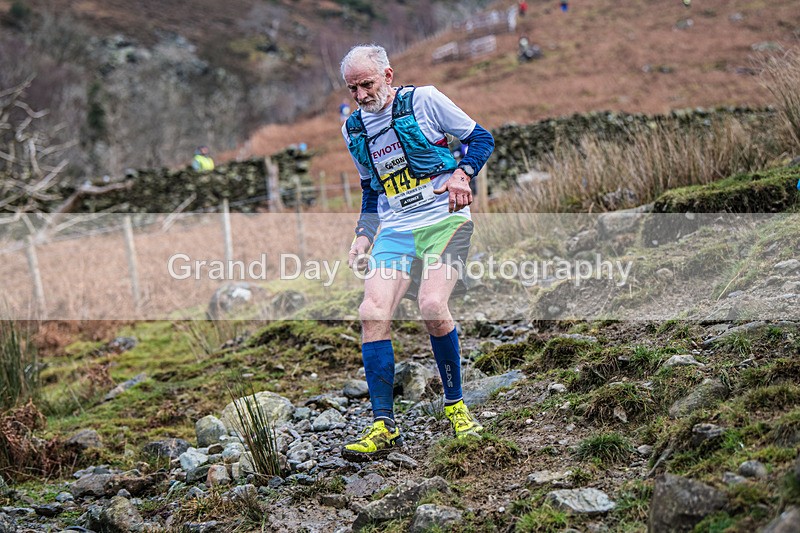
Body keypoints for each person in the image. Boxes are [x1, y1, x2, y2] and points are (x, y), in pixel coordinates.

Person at [339, 44, 495, 461]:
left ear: (388, 76)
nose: (360, 95)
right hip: (394, 231)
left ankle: (457, 407)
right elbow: (371, 190)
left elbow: (481, 138)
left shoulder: (424, 99)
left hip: (444, 220)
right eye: (352, 88)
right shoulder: (353, 128)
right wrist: (362, 235)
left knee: (430, 305)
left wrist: (463, 175)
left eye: (367, 84)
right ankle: (383, 425)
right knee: (371, 313)